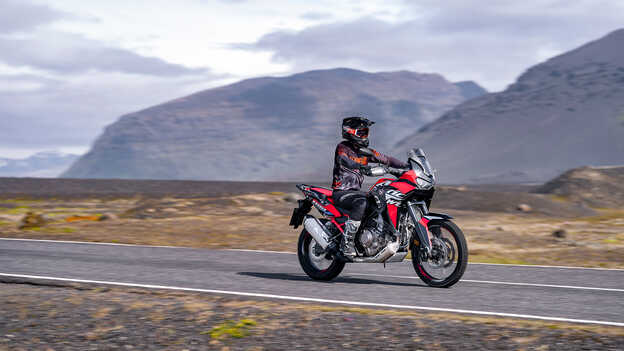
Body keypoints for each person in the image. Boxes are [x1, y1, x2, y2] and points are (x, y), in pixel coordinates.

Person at [331, 116, 408, 256]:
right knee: (361, 203)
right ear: (350, 132)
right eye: (361, 133)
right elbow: (344, 160)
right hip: (341, 192)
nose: (364, 136)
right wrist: (360, 166)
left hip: (355, 192)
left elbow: (387, 159)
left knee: (380, 200)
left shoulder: (365, 152)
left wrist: (406, 166)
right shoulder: (343, 147)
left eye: (366, 132)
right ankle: (347, 243)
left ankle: (375, 238)